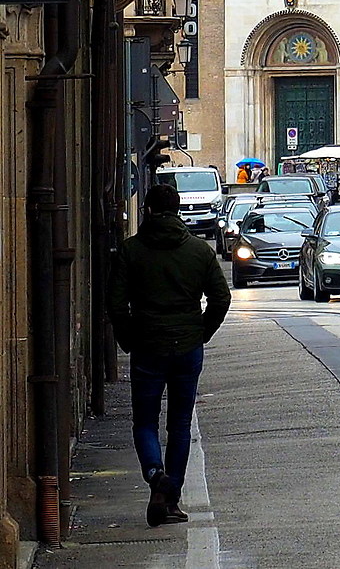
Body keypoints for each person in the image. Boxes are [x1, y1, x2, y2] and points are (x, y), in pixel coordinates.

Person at [108, 185, 229, 528]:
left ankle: (154, 474)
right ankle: (171, 498)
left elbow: (115, 303)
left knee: (145, 421)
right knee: (179, 425)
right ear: (178, 211)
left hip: (148, 345)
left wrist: (129, 339)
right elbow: (221, 298)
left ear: (147, 210)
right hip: (187, 347)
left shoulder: (131, 251)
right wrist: (201, 332)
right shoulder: (199, 250)